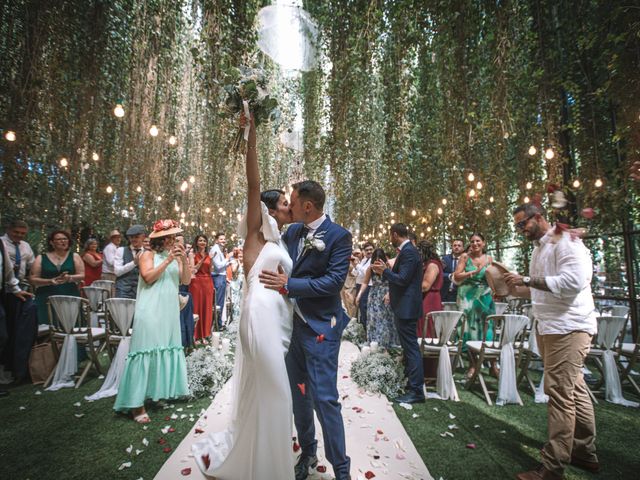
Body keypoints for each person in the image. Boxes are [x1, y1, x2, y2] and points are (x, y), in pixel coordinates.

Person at [192, 115, 295, 479]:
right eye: (283, 201)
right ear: (268, 209)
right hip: (259, 317)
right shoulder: (256, 233)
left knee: (269, 395)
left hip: (279, 320)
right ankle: (269, 469)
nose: (288, 204)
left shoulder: (281, 240)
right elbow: (254, 184)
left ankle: (261, 460)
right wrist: (250, 135)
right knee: (278, 393)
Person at [259, 179, 352, 480]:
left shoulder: (339, 237)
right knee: (300, 398)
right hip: (292, 330)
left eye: (293, 202)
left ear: (307, 206)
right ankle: (308, 453)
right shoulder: (294, 231)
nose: (290, 206)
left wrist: (290, 286)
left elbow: (334, 283)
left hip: (321, 328)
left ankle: (341, 470)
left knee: (325, 399)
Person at [505, 203, 599, 480]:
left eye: (523, 224)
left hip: (569, 327)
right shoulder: (541, 249)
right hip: (550, 326)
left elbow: (574, 281)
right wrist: (511, 289)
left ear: (539, 217)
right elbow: (541, 291)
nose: (521, 230)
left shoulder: (567, 242)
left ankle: (552, 467)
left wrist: (527, 279)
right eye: (518, 226)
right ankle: (584, 452)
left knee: (559, 393)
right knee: (575, 388)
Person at [113, 219, 190, 422]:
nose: (174, 241)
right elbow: (148, 277)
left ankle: (154, 394)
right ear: (162, 240)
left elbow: (186, 281)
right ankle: (136, 405)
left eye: (175, 237)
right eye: (171, 238)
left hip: (168, 311)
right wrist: (168, 260)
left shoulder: (175, 257)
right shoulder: (147, 254)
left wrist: (184, 260)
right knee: (144, 350)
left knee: (163, 348)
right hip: (149, 310)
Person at [372, 223, 424, 404]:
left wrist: (385, 271)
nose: (389, 239)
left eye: (390, 236)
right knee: (408, 348)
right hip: (403, 306)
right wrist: (385, 271)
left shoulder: (409, 251)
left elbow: (402, 279)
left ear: (395, 234)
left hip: (407, 307)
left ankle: (416, 391)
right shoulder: (407, 251)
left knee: (411, 349)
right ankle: (411, 385)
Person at [453, 232, 496, 378]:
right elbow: (456, 275)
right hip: (467, 296)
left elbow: (493, 277)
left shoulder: (489, 259)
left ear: (484, 243)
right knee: (466, 331)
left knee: (488, 329)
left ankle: (493, 365)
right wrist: (472, 273)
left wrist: (496, 289)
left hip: (485, 297)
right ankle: (472, 364)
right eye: (472, 241)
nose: (475, 243)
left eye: (478, 241)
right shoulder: (465, 257)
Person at [1, 220, 37, 384]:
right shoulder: (2, 243)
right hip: (6, 292)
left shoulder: (26, 246)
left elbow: (31, 266)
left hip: (21, 289)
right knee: (5, 332)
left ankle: (18, 369)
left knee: (19, 331)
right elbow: (7, 271)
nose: (19, 236)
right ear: (9, 230)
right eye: (16, 232)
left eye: (22, 233)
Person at [30, 230, 85, 325]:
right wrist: (49, 281)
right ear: (51, 242)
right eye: (59, 239)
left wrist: (69, 277)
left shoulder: (74, 256)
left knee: (70, 325)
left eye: (65, 239)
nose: (63, 241)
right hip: (46, 297)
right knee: (46, 325)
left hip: (69, 295)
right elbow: (33, 279)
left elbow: (82, 275)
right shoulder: (41, 257)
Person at [356, 248, 399, 349]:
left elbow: (394, 281)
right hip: (374, 295)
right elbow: (365, 282)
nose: (377, 263)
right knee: (373, 319)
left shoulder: (389, 266)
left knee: (386, 319)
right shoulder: (370, 269)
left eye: (379, 260)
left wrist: (389, 293)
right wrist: (359, 295)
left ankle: (388, 344)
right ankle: (375, 343)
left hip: (387, 294)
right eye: (375, 260)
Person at [417, 240, 444, 380]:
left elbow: (425, 285)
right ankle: (422, 370)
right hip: (425, 300)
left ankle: (429, 372)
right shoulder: (427, 264)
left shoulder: (432, 264)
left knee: (427, 334)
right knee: (422, 333)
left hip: (430, 301)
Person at [189, 234, 214, 342]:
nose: (202, 242)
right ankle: (195, 335)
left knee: (206, 308)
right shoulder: (192, 254)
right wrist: (202, 259)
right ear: (196, 242)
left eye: (204, 240)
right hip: (196, 282)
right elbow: (193, 270)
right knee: (197, 307)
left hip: (208, 282)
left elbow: (211, 271)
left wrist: (211, 261)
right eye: (200, 240)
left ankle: (205, 334)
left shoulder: (209, 255)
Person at [114, 225, 145, 299]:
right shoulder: (121, 250)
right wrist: (133, 263)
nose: (133, 239)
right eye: (131, 237)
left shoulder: (147, 253)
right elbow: (117, 272)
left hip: (141, 292)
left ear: (143, 237)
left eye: (136, 237)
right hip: (123, 291)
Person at [175, 233, 195, 348]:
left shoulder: (184, 257)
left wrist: (184, 260)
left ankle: (185, 341)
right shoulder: (169, 256)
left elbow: (186, 279)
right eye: (176, 241)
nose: (178, 244)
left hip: (182, 290)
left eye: (180, 242)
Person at [209, 232, 230, 329]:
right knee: (218, 301)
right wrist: (227, 260)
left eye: (224, 239)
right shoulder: (215, 250)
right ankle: (218, 324)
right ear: (216, 240)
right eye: (221, 239)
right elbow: (218, 266)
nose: (223, 241)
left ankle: (219, 323)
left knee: (219, 301)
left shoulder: (219, 249)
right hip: (218, 277)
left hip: (220, 277)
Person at [354, 242, 374, 329]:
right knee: (360, 308)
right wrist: (354, 265)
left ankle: (366, 329)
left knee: (364, 307)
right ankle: (362, 328)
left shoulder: (373, 260)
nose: (369, 251)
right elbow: (357, 274)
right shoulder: (363, 260)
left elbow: (366, 273)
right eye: (367, 250)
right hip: (359, 285)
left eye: (370, 249)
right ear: (364, 251)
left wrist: (357, 266)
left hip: (367, 286)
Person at [440, 238, 464, 303]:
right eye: (455, 245)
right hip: (445, 293)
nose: (456, 247)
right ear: (452, 247)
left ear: (463, 248)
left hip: (460, 293)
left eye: (459, 246)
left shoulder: (465, 260)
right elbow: (439, 274)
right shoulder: (445, 259)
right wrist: (450, 275)